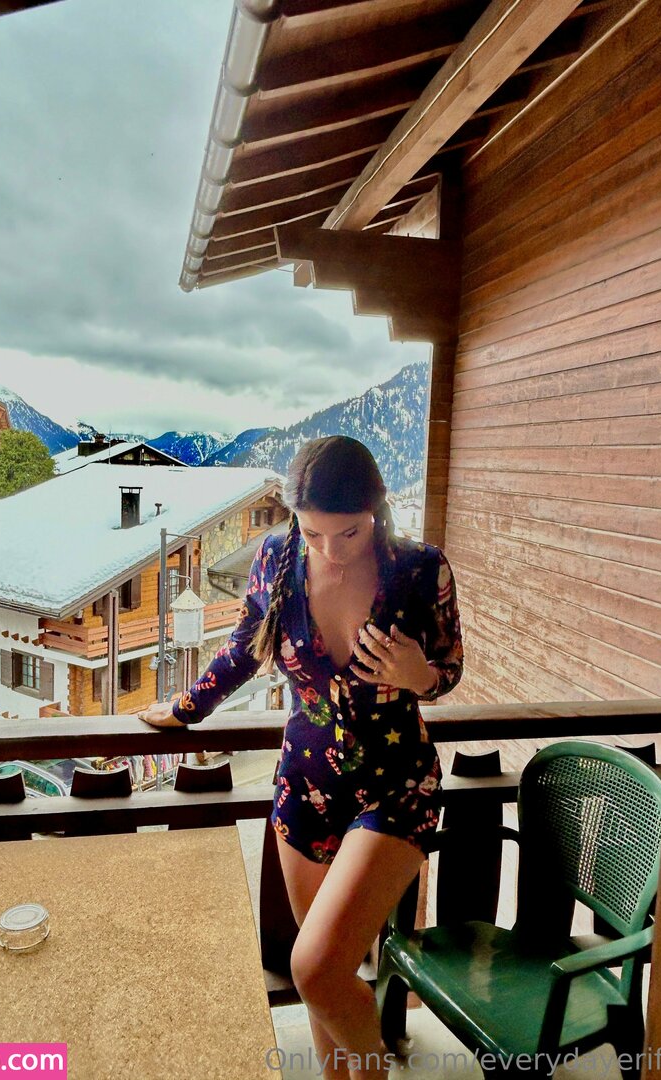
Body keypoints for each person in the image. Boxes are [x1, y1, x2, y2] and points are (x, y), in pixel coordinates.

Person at [139, 436, 463, 1080]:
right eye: (313, 533)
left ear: (375, 510)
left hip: (396, 789)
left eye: (348, 533)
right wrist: (185, 709)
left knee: (313, 968)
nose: (331, 551)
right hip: (305, 787)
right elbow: (245, 646)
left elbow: (449, 668)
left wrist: (419, 676)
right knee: (325, 976)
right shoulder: (276, 558)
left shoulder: (421, 569)